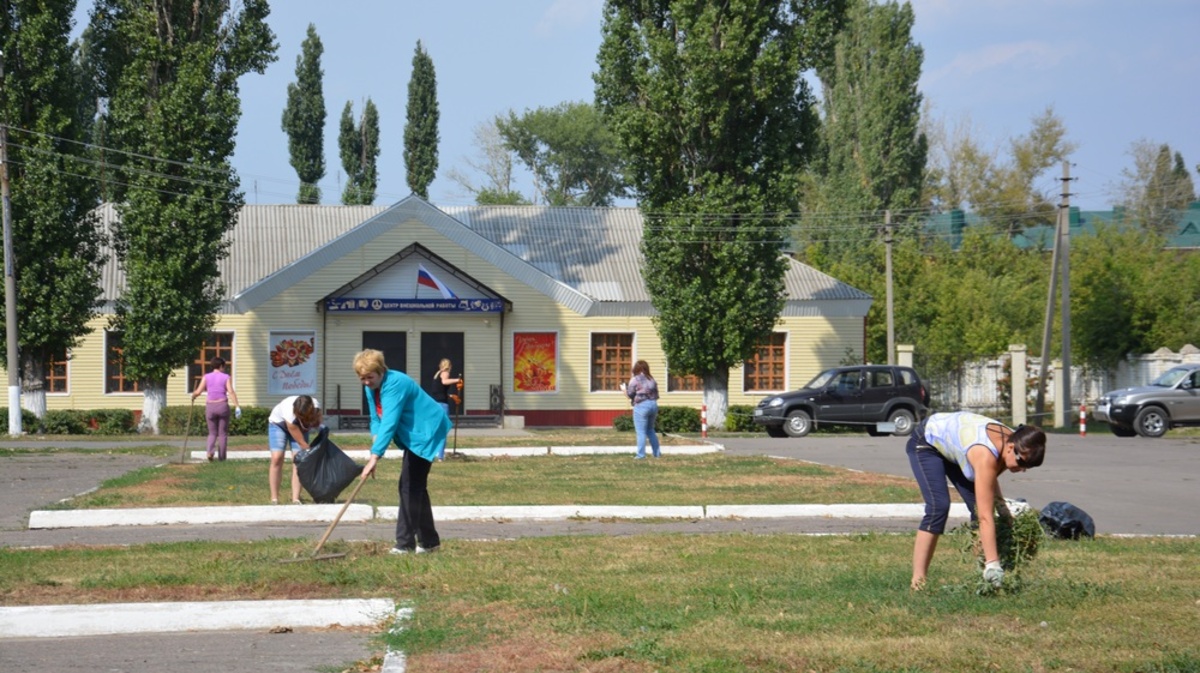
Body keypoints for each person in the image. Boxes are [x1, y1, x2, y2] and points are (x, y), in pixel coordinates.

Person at [907, 411, 1046, 591]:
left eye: (1028, 467)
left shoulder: (1015, 442)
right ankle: (918, 582)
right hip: (927, 441)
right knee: (938, 506)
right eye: (1022, 463)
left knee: (977, 506)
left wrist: (1003, 509)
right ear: (1011, 447)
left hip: (957, 448)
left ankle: (980, 576)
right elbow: (985, 517)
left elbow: (988, 484)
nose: (1022, 469)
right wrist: (994, 564)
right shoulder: (985, 455)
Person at [354, 349, 452, 555]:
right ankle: (429, 541)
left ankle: (404, 544)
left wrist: (374, 457)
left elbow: (390, 421)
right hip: (412, 433)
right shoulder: (371, 387)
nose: (365, 382)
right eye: (362, 378)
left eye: (369, 377)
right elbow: (376, 419)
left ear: (380, 372)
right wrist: (375, 445)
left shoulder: (395, 383)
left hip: (426, 430)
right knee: (415, 486)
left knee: (409, 486)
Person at [266, 394, 322, 504]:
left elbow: (319, 422)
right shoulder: (289, 412)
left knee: (298, 460)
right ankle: (274, 498)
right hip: (278, 424)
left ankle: (296, 498)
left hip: (301, 427)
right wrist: (310, 451)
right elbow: (302, 442)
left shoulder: (316, 408)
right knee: (277, 458)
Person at [190, 356, 240, 462]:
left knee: (212, 433)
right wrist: (237, 406)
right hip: (222, 405)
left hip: (210, 406)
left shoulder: (206, 377)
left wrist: (193, 396)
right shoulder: (226, 377)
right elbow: (231, 391)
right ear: (221, 366)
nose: (224, 368)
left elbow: (198, 392)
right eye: (224, 366)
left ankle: (210, 452)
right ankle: (222, 458)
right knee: (222, 433)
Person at [621, 359, 661, 459]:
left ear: (636, 369)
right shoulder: (652, 379)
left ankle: (641, 455)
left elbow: (630, 395)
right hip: (653, 405)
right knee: (650, 430)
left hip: (641, 406)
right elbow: (656, 394)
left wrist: (623, 390)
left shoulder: (635, 379)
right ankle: (657, 453)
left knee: (641, 432)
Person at [429, 358, 462, 461]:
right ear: (449, 366)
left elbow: (439, 391)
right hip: (442, 406)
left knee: (435, 430)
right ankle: (440, 456)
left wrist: (451, 396)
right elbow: (445, 382)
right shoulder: (444, 373)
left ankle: (430, 453)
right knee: (443, 430)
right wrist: (458, 380)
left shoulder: (437, 374)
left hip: (435, 404)